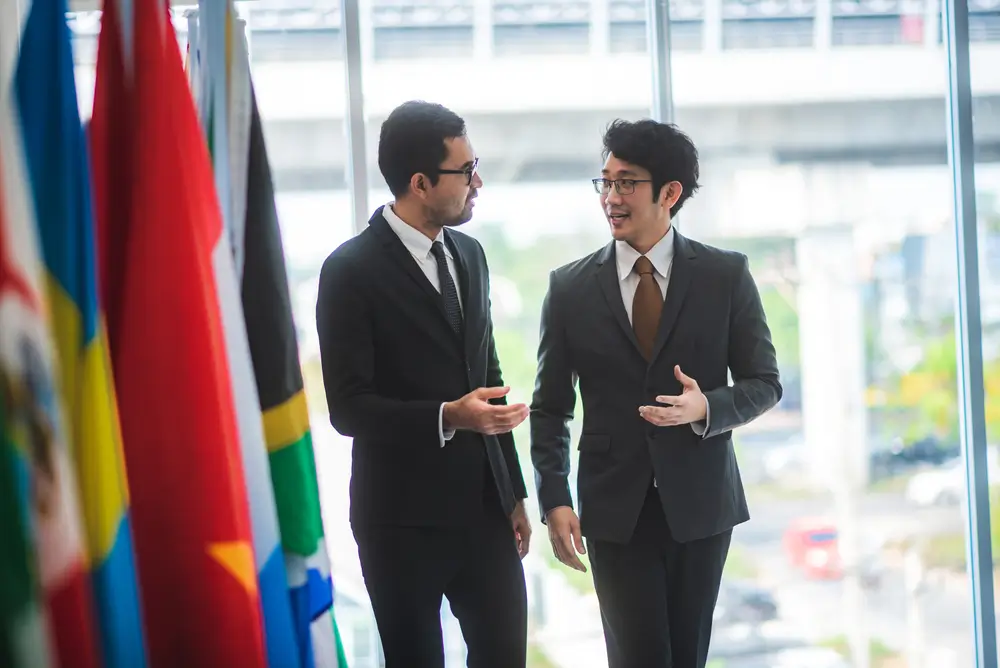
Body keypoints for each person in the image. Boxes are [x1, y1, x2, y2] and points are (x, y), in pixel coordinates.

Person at [529, 118, 782, 668]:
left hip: (701, 503)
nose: (611, 198)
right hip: (614, 508)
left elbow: (765, 383)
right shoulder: (568, 288)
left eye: (626, 183)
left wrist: (707, 407)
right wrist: (554, 497)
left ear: (669, 193)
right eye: (605, 182)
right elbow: (550, 408)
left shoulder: (725, 275)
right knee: (638, 656)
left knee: (687, 655)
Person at [316, 100, 531, 668]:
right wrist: (447, 416)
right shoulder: (349, 270)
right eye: (466, 171)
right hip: (400, 521)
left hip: (486, 512)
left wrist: (514, 494)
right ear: (419, 182)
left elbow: (488, 379)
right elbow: (349, 408)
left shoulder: (472, 254)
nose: (477, 182)